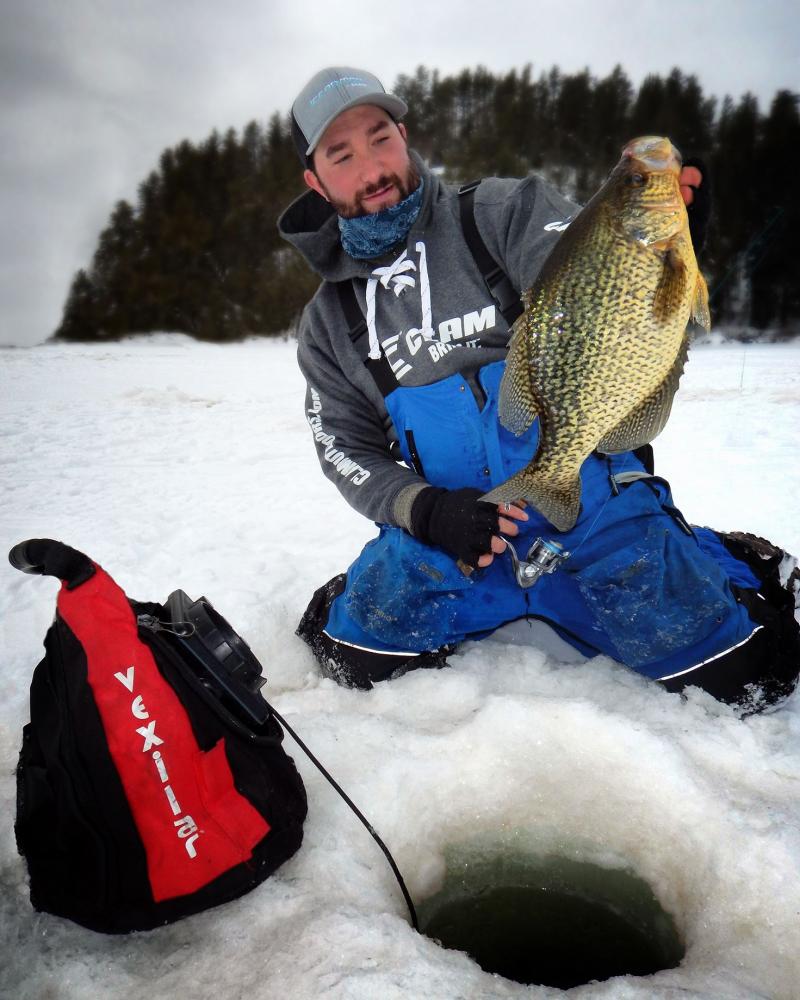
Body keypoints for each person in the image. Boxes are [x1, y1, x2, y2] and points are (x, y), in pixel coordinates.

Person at [278, 66, 800, 712]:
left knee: (743, 676)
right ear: (316, 181)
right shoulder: (329, 324)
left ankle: (720, 557)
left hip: (591, 505)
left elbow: (590, 281)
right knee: (352, 659)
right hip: (458, 532)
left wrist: (652, 255)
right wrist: (428, 512)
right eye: (342, 154)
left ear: (405, 136)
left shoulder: (501, 213)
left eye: (381, 138)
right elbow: (345, 449)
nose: (373, 167)